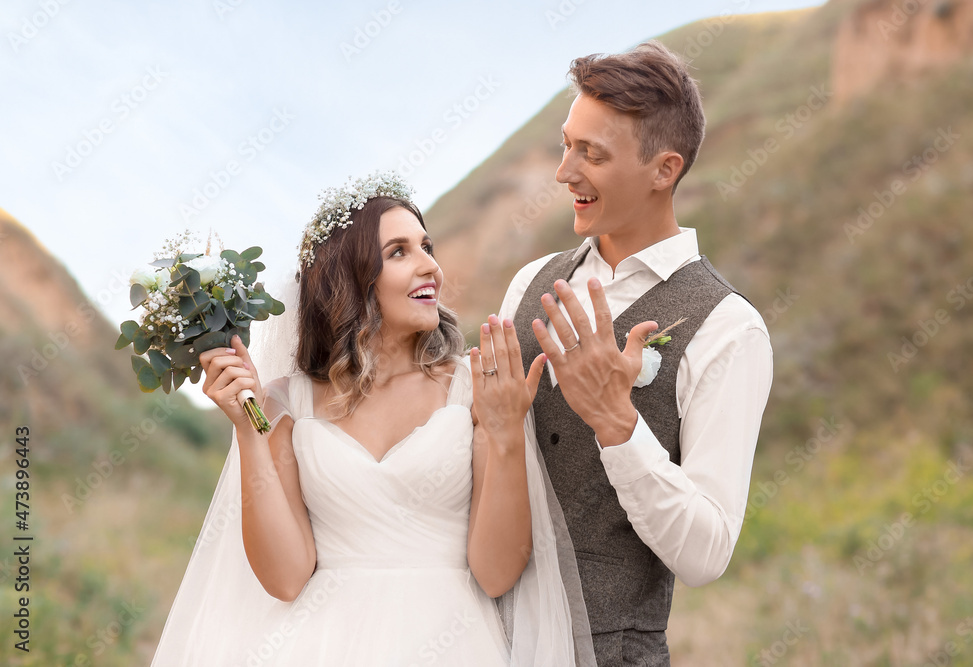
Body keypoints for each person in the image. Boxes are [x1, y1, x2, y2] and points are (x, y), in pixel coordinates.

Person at [150, 172, 597, 666]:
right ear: (351, 277)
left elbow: (495, 572)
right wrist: (248, 430)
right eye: (400, 252)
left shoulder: (472, 389)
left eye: (427, 247)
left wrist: (508, 431)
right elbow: (286, 576)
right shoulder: (284, 404)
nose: (430, 267)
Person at [498, 41, 774, 666]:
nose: (565, 172)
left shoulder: (730, 329)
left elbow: (706, 553)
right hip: (486, 639)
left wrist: (617, 424)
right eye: (567, 145)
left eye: (591, 154)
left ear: (664, 170)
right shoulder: (531, 281)